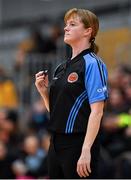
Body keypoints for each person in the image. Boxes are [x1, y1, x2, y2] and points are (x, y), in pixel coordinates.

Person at [35, 8, 108, 179]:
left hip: (79, 143)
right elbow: (57, 111)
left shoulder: (93, 64)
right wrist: (44, 92)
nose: (66, 28)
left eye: (72, 24)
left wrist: (86, 150)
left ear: (88, 31)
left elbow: (97, 111)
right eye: (66, 24)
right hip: (55, 144)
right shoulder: (62, 67)